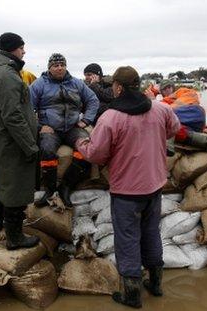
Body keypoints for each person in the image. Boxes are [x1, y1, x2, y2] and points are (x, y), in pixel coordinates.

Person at [76, 66, 180, 308]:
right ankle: (155, 284)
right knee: (151, 233)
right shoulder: (159, 108)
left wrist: (80, 141)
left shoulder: (111, 117)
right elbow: (174, 129)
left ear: (119, 88)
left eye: (114, 85)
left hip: (127, 192)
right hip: (154, 186)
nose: (112, 87)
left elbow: (96, 154)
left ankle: (132, 295)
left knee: (127, 239)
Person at [0, 32, 40, 250]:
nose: (24, 51)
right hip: (10, 144)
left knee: (4, 187)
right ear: (14, 49)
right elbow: (13, 116)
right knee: (15, 189)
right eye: (22, 47)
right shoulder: (7, 76)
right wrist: (30, 146)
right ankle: (14, 237)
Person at [30, 53, 100, 207]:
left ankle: (66, 185)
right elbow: (27, 109)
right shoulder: (38, 84)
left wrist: (86, 120)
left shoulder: (76, 83)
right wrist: (40, 127)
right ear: (50, 68)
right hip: (51, 130)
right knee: (47, 150)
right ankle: (49, 190)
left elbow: (93, 100)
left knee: (87, 149)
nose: (60, 68)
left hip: (73, 128)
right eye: (56, 65)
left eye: (62, 65)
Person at [146, 79, 207, 157]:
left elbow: (159, 109)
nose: (167, 90)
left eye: (169, 87)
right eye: (164, 89)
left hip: (193, 111)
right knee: (177, 130)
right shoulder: (165, 102)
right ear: (161, 92)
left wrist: (153, 99)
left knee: (163, 117)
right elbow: (148, 103)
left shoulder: (181, 91)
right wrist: (154, 93)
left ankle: (168, 145)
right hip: (192, 125)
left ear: (173, 88)